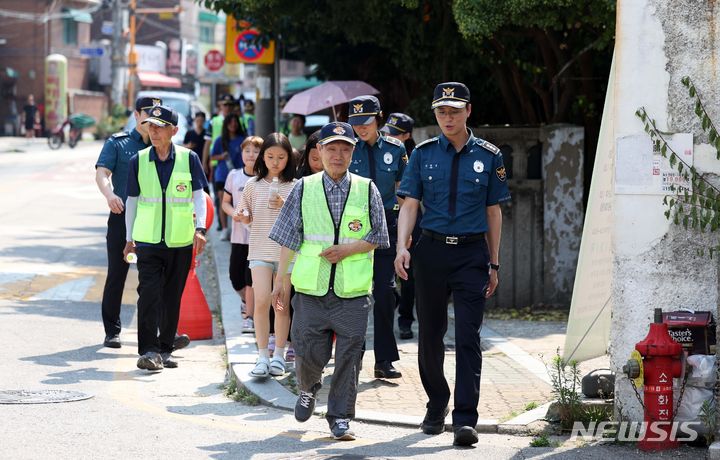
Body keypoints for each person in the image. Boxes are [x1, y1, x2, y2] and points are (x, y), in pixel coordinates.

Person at [394, 82, 511, 446]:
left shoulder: (490, 156)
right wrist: (402, 247)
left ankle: (465, 418)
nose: (448, 117)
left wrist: (494, 263)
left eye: (455, 111)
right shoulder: (423, 154)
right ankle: (436, 402)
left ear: (468, 112)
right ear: (435, 114)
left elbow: (494, 212)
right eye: (442, 111)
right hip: (430, 252)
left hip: (472, 255)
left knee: (467, 337)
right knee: (429, 334)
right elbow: (410, 204)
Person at [269, 122, 389, 441]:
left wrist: (348, 249)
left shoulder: (367, 189)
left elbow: (379, 235)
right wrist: (281, 279)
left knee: (350, 354)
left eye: (345, 149)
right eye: (331, 148)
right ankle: (308, 387)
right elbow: (287, 236)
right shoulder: (304, 187)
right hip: (310, 287)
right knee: (307, 349)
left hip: (352, 289)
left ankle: (340, 417)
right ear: (318, 151)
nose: (338, 155)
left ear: (353, 152)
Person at [123, 105, 209, 371]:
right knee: (148, 294)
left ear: (174, 130)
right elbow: (133, 201)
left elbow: (199, 197)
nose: (155, 131)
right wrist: (129, 238)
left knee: (172, 295)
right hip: (147, 241)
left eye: (160, 127)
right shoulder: (138, 160)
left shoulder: (189, 158)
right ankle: (148, 350)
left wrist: (201, 229)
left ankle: (165, 348)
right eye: (150, 126)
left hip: (180, 240)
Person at [347, 95, 406, 380]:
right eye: (355, 123)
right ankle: (352, 357)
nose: (360, 128)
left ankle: (384, 359)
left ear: (379, 118)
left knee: (384, 293)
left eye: (366, 122)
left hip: (387, 227)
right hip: (353, 230)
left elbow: (405, 191)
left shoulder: (396, 148)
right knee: (355, 295)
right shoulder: (346, 148)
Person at [95, 96, 158, 349]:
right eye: (148, 113)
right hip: (122, 220)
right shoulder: (118, 143)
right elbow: (102, 174)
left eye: (157, 113)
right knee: (117, 275)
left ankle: (157, 333)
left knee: (153, 279)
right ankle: (112, 331)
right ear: (136, 114)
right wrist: (110, 195)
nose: (152, 118)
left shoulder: (161, 146)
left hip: (153, 221)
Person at [238, 133, 297, 378]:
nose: (275, 162)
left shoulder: (295, 186)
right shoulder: (253, 184)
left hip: (286, 254)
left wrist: (286, 205)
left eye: (281, 157)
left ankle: (279, 356)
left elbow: (301, 222)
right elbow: (246, 214)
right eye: (270, 156)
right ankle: (262, 355)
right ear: (263, 157)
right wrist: (243, 216)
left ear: (289, 158)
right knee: (261, 301)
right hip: (260, 249)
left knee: (281, 305)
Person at [381, 113, 418, 340]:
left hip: (411, 216)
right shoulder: (381, 151)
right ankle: (391, 299)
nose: (389, 137)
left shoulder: (416, 157)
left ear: (407, 136)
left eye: (395, 134)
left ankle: (406, 320)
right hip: (386, 218)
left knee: (409, 275)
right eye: (387, 132)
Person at [221, 135, 263, 333]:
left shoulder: (264, 178)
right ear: (241, 152)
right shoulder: (234, 176)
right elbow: (225, 203)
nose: (251, 155)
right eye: (247, 151)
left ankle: (249, 316)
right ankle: (247, 302)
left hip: (257, 238)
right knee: (235, 277)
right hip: (238, 236)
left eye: (256, 151)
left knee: (250, 278)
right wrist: (233, 214)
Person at [211, 113, 247, 240]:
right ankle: (225, 229)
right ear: (226, 124)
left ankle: (240, 227)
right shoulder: (220, 140)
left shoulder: (243, 139)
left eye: (235, 121)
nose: (233, 124)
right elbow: (212, 156)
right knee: (223, 201)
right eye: (230, 122)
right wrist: (221, 156)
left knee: (240, 201)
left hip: (240, 176)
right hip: (222, 175)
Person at [203, 94, 236, 230]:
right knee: (219, 197)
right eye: (224, 104)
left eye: (229, 104)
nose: (227, 107)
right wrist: (204, 162)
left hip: (234, 164)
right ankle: (222, 225)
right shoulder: (213, 121)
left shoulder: (237, 121)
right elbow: (207, 142)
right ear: (220, 106)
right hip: (217, 163)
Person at [184, 112, 209, 194]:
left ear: (204, 121)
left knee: (204, 185)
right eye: (198, 120)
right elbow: (183, 146)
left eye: (202, 121)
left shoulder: (206, 133)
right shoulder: (189, 133)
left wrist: (205, 164)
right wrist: (188, 146)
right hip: (191, 162)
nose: (199, 123)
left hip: (204, 161)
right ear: (195, 120)